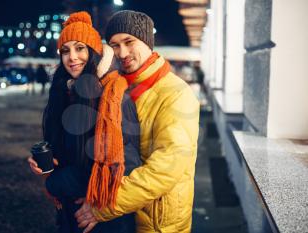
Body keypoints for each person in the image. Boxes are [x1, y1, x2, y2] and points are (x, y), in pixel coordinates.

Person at [75, 10, 200, 233]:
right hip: (124, 218)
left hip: (155, 222)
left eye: (128, 41)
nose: (122, 52)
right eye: (114, 45)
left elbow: (165, 169)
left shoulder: (175, 94)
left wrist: (103, 204)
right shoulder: (118, 89)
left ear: (147, 42)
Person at [27, 11, 141, 233]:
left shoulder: (114, 96)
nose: (72, 57)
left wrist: (95, 201)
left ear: (93, 52)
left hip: (105, 219)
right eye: (65, 51)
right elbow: (68, 152)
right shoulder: (64, 92)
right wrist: (45, 162)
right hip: (70, 214)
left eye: (80, 48)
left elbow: (129, 164)